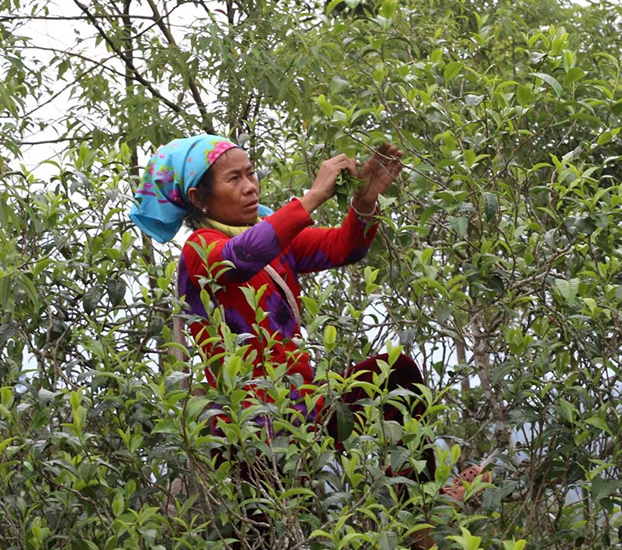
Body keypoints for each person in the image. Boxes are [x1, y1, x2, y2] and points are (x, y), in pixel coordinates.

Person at [130, 134, 490, 496]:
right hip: (247, 429)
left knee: (398, 373)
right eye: (234, 179)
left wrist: (365, 199)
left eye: (251, 174)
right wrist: (314, 195)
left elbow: (344, 247)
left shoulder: (269, 236)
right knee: (270, 533)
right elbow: (242, 257)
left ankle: (422, 504)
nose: (250, 187)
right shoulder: (200, 248)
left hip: (305, 409)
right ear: (199, 199)